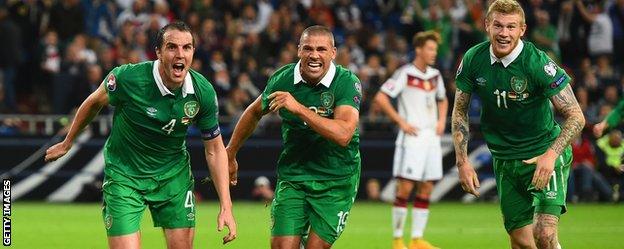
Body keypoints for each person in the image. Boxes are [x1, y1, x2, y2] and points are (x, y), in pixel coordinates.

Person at [44, 21, 236, 249]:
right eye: (172, 47)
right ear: (158, 52)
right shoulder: (128, 78)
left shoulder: (202, 91)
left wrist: (226, 205)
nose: (180, 54)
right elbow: (94, 102)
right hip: (125, 176)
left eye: (187, 47)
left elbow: (214, 149)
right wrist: (68, 142)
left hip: (172, 177)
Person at [451, 0, 585, 248]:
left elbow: (576, 115)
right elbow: (460, 112)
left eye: (511, 27)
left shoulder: (536, 62)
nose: (504, 33)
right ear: (487, 25)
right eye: (498, 26)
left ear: (522, 29)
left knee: (544, 234)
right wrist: (462, 162)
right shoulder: (473, 58)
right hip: (505, 160)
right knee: (521, 241)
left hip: (542, 154)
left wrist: (551, 154)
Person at [226, 25, 362, 249]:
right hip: (295, 176)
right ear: (299, 50)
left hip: (337, 179)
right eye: (308, 48)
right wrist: (230, 152)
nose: (314, 55)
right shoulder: (283, 79)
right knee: (282, 245)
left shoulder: (346, 82)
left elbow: (344, 134)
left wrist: (299, 108)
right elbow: (253, 111)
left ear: (333, 53)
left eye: (321, 49)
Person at [373, 30, 447, 249]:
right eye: (431, 48)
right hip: (411, 138)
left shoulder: (435, 75)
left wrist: (442, 120)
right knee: (405, 189)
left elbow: (442, 99)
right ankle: (397, 239)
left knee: (426, 188)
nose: (434, 53)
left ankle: (416, 239)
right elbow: (380, 97)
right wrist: (401, 122)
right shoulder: (404, 73)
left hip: (431, 138)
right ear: (419, 50)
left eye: (435, 49)